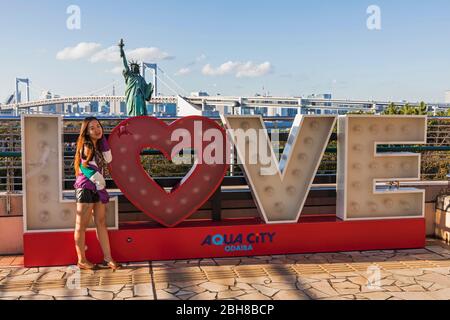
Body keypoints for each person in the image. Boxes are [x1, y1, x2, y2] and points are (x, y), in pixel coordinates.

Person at [73, 117, 120, 270]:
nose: (97, 129)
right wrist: (100, 184)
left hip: (98, 187)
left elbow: (109, 158)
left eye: (98, 126)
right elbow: (85, 167)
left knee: (101, 222)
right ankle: (81, 260)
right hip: (86, 188)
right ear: (86, 132)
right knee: (81, 225)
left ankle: (108, 258)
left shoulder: (98, 145)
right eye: (92, 128)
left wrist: (104, 140)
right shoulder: (86, 146)